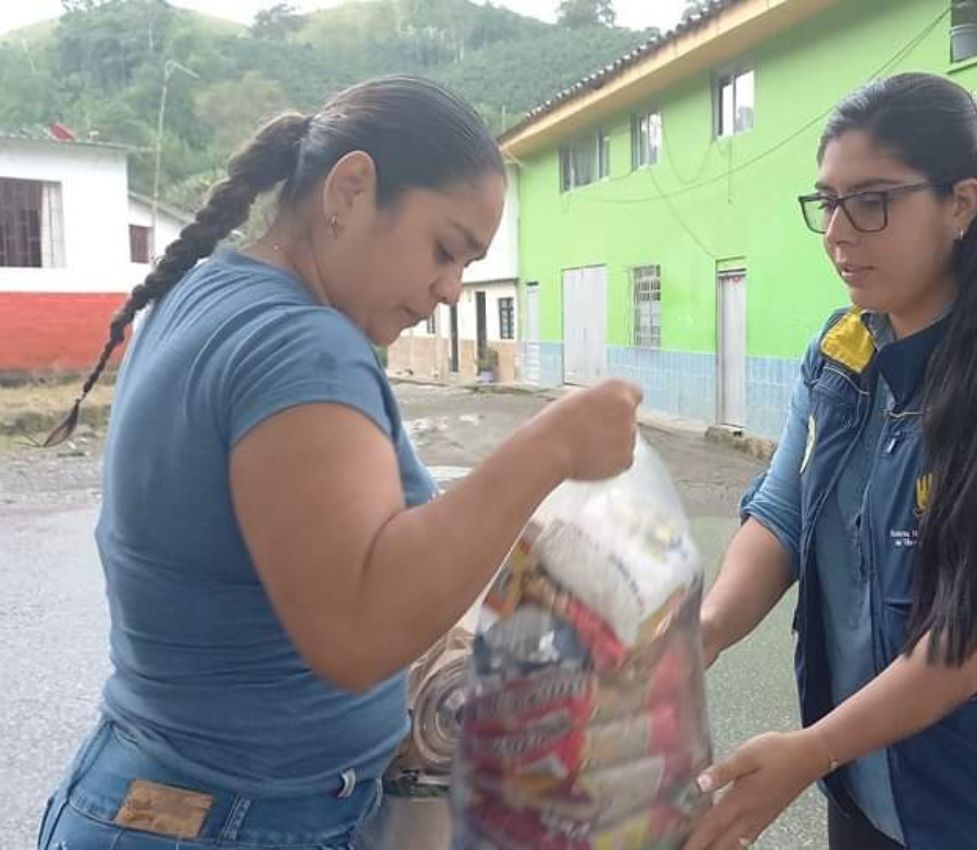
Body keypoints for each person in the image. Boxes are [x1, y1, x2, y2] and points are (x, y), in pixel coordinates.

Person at [37, 76, 640, 849]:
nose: (452, 290)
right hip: (233, 820)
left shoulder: (208, 296)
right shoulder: (300, 347)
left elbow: (338, 549)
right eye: (445, 249)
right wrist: (549, 447)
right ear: (351, 188)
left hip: (156, 792)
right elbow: (358, 632)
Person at [687, 73, 977, 850]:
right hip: (870, 789)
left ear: (961, 204)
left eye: (871, 202)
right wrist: (701, 632)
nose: (839, 231)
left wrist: (813, 750)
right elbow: (783, 515)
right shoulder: (844, 350)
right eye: (827, 202)